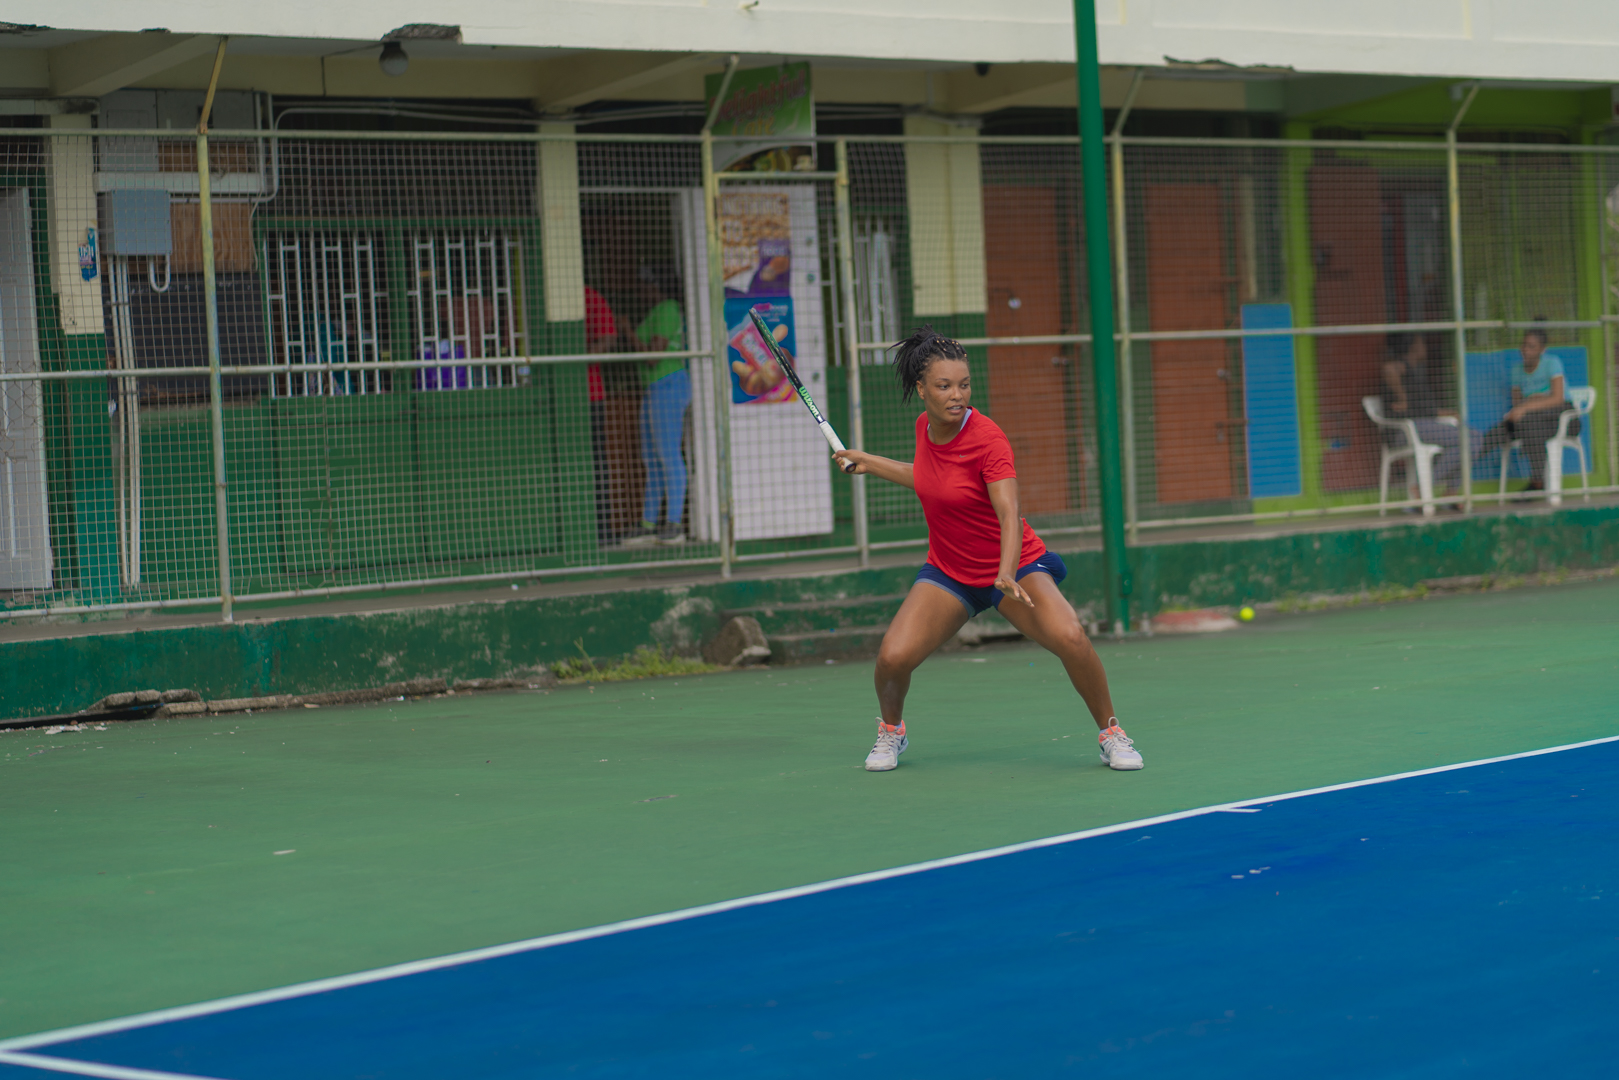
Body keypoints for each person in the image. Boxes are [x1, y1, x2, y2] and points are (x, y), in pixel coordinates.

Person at [831, 327, 1144, 773]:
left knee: (1072, 636)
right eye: (944, 386)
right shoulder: (924, 427)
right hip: (950, 571)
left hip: (1013, 567)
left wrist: (1006, 572)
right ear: (921, 390)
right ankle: (891, 732)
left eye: (964, 384)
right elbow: (932, 480)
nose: (956, 395)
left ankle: (1111, 732)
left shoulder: (988, 439)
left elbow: (1009, 512)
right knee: (892, 657)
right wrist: (871, 462)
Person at [625, 265, 690, 546]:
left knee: (668, 455)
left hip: (668, 386)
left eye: (642, 284)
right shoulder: (657, 310)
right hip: (654, 389)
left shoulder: (667, 308)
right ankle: (649, 524)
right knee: (651, 459)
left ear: (654, 285)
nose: (639, 291)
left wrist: (628, 332)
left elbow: (654, 355)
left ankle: (674, 524)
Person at [1475, 323, 1576, 494]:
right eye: (1524, 345)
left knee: (1528, 421)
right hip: (1531, 421)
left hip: (1563, 418)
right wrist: (1531, 403)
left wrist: (1529, 404)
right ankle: (1463, 461)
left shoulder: (1552, 363)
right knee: (1497, 432)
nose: (1526, 350)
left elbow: (1558, 398)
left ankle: (1537, 480)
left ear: (1542, 350)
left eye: (1531, 346)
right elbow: (1517, 405)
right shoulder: (1516, 370)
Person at [1380, 332, 1462, 502]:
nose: (1425, 348)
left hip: (1423, 426)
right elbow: (1388, 370)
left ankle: (1449, 491)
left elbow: (1426, 409)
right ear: (1414, 347)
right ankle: (1424, 488)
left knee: (1472, 440)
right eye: (1422, 344)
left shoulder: (1415, 372)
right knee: (1469, 440)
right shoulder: (1401, 365)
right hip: (1404, 432)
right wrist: (1401, 396)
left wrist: (1450, 413)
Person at [584, 285, 618, 546]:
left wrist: (579, 358)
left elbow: (608, 339)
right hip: (558, 398)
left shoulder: (590, 295)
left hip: (591, 395)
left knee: (596, 463)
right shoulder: (535, 292)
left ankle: (602, 532)